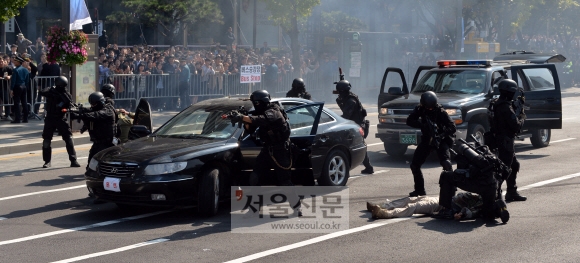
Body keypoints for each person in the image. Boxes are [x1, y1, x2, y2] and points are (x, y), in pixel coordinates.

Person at [227, 90, 301, 215]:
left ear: (263, 101)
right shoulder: (258, 112)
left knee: (285, 182)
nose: (255, 105)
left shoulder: (274, 111)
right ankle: (254, 208)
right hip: (267, 150)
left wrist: (244, 117)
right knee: (255, 177)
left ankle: (296, 207)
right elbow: (250, 129)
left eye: (256, 102)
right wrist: (243, 118)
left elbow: (262, 120)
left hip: (280, 150)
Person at [405, 91, 456, 196]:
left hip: (441, 140)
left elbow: (452, 127)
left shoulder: (441, 112)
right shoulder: (420, 109)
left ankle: (452, 189)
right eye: (428, 108)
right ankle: (420, 190)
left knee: (446, 164)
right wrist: (422, 125)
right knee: (415, 165)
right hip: (427, 139)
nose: (430, 110)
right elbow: (409, 121)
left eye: (432, 108)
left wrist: (441, 135)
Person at [487, 79, 527, 202]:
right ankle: (493, 194)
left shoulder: (495, 103)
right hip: (505, 141)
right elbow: (515, 126)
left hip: (499, 139)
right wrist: (521, 116)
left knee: (514, 165)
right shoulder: (505, 107)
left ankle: (512, 192)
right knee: (504, 169)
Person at [38, 76, 80, 168]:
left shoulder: (66, 94)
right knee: (46, 140)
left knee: (68, 139)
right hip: (50, 118)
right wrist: (51, 90)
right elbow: (41, 92)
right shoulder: (51, 91)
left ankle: (73, 160)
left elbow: (70, 104)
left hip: (61, 118)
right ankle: (47, 161)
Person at [334, 79, 374, 174]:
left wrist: (335, 120)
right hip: (354, 126)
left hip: (358, 127)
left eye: (339, 92)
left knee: (356, 147)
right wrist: (339, 101)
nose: (338, 94)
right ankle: (368, 167)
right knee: (357, 147)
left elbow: (346, 115)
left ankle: (365, 168)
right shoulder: (348, 98)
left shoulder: (351, 101)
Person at [70, 92, 115, 165]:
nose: (92, 106)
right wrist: (77, 110)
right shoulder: (96, 109)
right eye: (91, 104)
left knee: (103, 165)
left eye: (94, 104)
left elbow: (95, 115)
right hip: (97, 143)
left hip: (106, 144)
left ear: (100, 102)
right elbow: (90, 111)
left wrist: (79, 115)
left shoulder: (108, 111)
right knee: (90, 166)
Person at [367, 192, 484, 220]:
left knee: (415, 206)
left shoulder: (482, 205)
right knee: (411, 199)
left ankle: (384, 213)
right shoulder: (481, 193)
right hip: (443, 198)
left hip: (443, 205)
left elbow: (471, 212)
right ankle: (382, 205)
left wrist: (461, 214)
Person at [9, 55, 30, 123]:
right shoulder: (26, 70)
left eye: (15, 61)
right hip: (23, 86)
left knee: (17, 103)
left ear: (19, 62)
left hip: (17, 87)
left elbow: (13, 80)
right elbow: (27, 80)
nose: (14, 62)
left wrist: (11, 89)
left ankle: (17, 119)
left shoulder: (15, 70)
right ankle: (25, 118)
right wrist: (25, 86)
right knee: (24, 102)